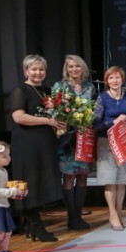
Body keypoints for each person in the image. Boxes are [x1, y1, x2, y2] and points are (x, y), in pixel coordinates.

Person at [10, 54, 64, 242]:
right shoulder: (20, 90)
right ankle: (36, 225)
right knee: (28, 182)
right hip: (26, 143)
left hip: (45, 142)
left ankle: (32, 224)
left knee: (41, 183)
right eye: (34, 69)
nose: (38, 73)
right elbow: (18, 117)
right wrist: (48, 121)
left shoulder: (48, 91)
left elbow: (57, 115)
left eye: (41, 69)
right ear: (26, 71)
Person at [52, 54, 96, 230]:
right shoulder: (60, 86)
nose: (74, 69)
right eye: (70, 66)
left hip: (85, 137)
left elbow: (94, 109)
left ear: (83, 68)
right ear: (66, 69)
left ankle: (78, 215)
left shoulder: (89, 87)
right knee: (69, 176)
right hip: (67, 139)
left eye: (77, 66)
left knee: (83, 175)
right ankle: (71, 217)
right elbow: (55, 110)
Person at [93, 66, 126, 231]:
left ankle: (119, 213)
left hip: (125, 141)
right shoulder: (102, 97)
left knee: (122, 181)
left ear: (122, 79)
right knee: (110, 181)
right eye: (111, 78)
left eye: (117, 77)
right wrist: (115, 122)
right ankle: (112, 214)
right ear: (106, 81)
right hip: (107, 142)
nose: (114, 80)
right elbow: (96, 123)